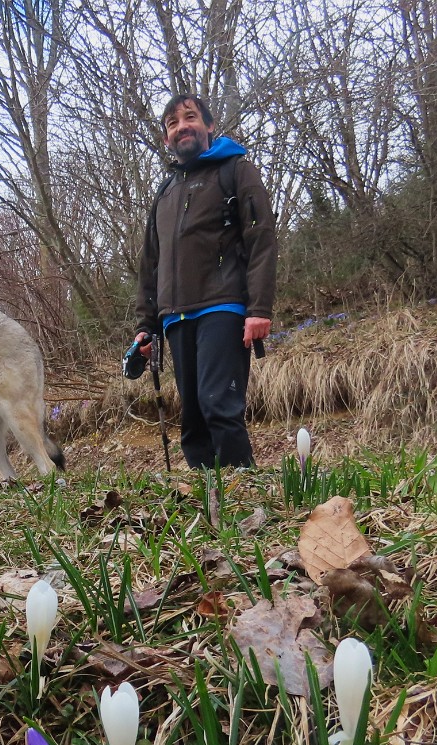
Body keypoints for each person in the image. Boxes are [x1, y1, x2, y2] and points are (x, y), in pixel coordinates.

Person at [134, 94, 278, 470]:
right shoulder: (165, 193)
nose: (182, 126)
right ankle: (206, 495)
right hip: (175, 317)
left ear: (209, 125)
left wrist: (259, 308)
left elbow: (261, 239)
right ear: (166, 138)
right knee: (193, 418)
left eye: (190, 117)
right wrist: (146, 326)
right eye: (172, 123)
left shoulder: (236, 170)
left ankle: (244, 489)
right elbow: (151, 262)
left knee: (218, 404)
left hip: (223, 306)